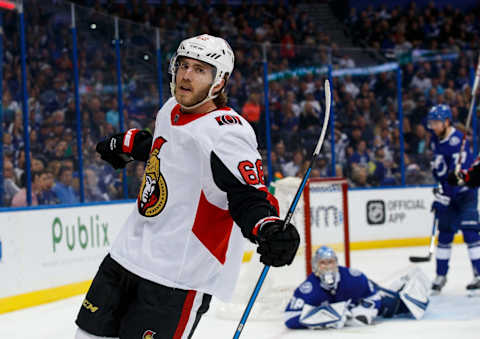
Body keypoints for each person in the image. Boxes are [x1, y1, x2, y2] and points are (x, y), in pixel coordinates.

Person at [75, 34, 300, 339]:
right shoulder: (170, 108)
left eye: (199, 69)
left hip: (174, 280)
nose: (186, 75)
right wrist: (129, 144)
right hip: (125, 256)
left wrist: (267, 227)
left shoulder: (227, 134)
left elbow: (246, 194)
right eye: (183, 65)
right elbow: (165, 149)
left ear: (218, 82)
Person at [284, 246, 430, 330]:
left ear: (337, 263)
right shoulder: (308, 288)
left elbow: (373, 295)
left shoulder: (353, 277)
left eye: (331, 262)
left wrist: (367, 308)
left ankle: (404, 283)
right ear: (315, 266)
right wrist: (330, 316)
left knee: (401, 305)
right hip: (349, 305)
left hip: (367, 294)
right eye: (323, 263)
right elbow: (289, 317)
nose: (328, 266)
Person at [427, 104, 480, 295]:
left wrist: (445, 196)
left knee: (470, 232)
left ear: (447, 121)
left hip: (465, 194)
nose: (432, 126)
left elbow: (459, 177)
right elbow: (441, 171)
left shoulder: (459, 141)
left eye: (436, 122)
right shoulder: (435, 138)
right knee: (445, 234)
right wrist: (441, 191)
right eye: (431, 122)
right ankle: (441, 276)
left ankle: (479, 274)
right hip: (449, 193)